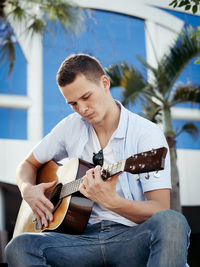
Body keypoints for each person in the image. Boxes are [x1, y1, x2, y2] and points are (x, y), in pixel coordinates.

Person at [5, 54, 190, 267]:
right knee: (19, 246)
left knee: (172, 222)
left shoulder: (146, 134)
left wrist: (113, 202)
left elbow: (160, 208)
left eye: (86, 97)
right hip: (78, 241)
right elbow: (27, 165)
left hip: (130, 238)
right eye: (73, 103)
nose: (82, 109)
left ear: (104, 83)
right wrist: (28, 189)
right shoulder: (70, 127)